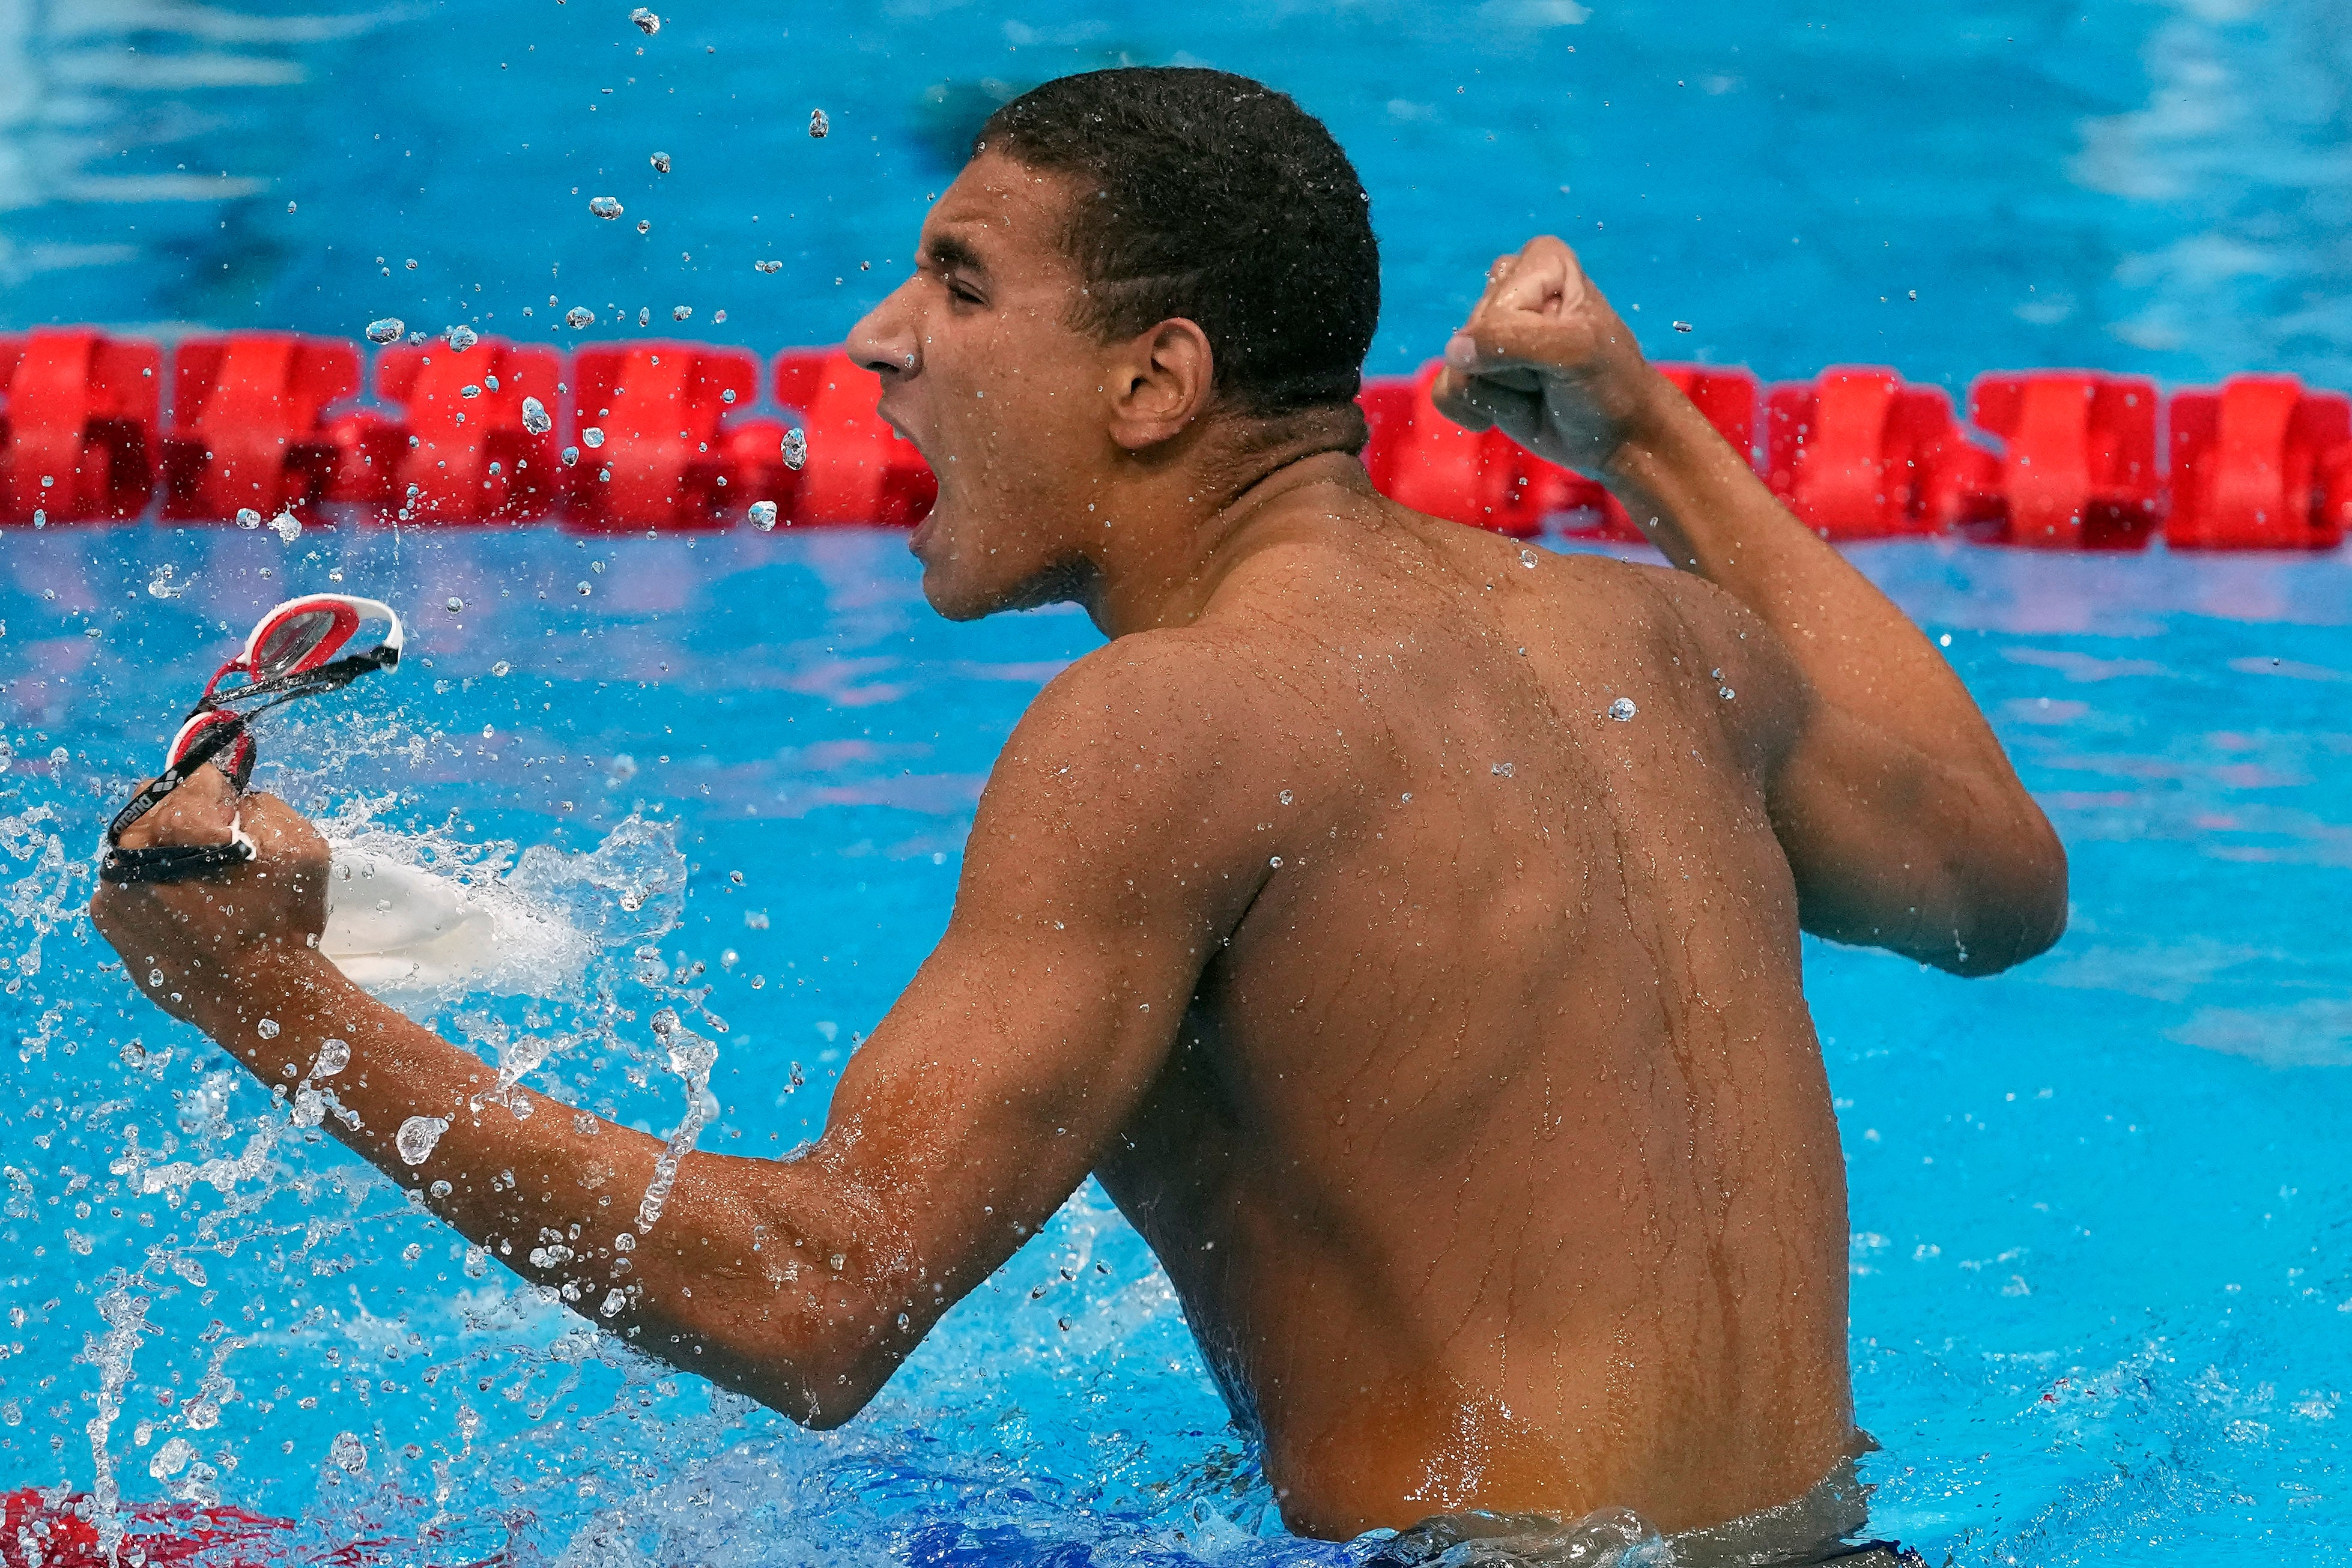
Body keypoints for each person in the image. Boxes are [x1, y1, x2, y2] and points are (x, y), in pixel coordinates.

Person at [92, 67, 2064, 1558]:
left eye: (959, 283)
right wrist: (1646, 433)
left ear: (1153, 382)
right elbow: (1995, 883)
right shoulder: (1658, 639)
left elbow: (812, 1304)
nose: (881, 338)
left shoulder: (1167, 724)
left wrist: (265, 999)